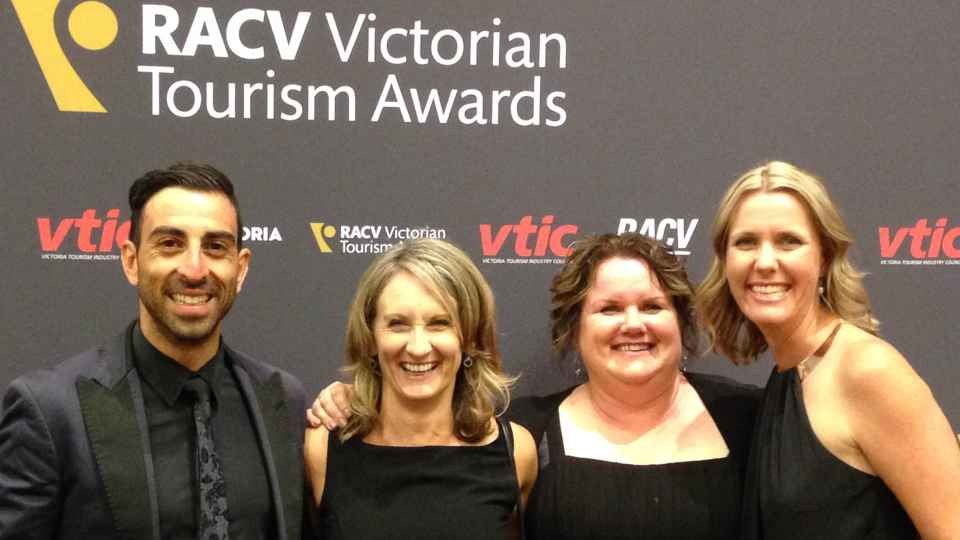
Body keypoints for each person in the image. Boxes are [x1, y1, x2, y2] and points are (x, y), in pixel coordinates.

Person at [310, 233, 760, 539]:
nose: (632, 324)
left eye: (652, 306)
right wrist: (346, 397)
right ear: (574, 329)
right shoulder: (526, 435)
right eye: (608, 309)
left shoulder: (748, 419)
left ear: (682, 319)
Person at [0, 163, 307, 540]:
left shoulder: (281, 399)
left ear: (240, 269)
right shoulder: (52, 411)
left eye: (215, 247)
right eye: (170, 244)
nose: (194, 270)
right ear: (131, 261)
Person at [698, 160, 960, 539]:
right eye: (746, 242)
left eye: (789, 241)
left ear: (824, 258)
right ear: (725, 261)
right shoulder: (789, 376)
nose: (765, 262)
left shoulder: (867, 371)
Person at [303, 239, 537, 540]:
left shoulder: (516, 452)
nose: (418, 347)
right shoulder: (321, 448)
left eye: (439, 323)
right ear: (370, 337)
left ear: (469, 337)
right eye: (398, 324)